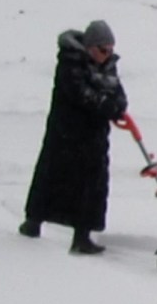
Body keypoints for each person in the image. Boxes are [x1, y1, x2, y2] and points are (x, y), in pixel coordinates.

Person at [19, 20, 128, 254]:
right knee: (52, 178)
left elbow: (118, 95)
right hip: (66, 134)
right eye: (103, 50)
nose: (107, 55)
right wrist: (105, 105)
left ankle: (82, 236)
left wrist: (116, 106)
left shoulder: (108, 66)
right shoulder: (70, 63)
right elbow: (80, 94)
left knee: (92, 187)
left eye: (110, 50)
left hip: (95, 138)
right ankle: (33, 222)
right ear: (90, 47)